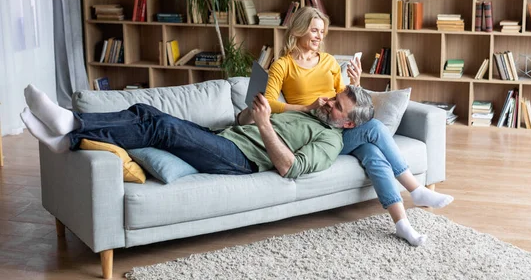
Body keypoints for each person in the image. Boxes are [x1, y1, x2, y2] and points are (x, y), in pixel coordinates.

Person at [239, 6, 454, 246]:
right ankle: (415, 189)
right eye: (314, 30)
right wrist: (307, 107)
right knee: (374, 128)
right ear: (299, 30)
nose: (319, 36)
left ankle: (402, 224)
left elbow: (346, 98)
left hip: (340, 124)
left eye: (322, 31)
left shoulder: (329, 61)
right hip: (316, 129)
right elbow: (267, 103)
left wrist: (356, 82)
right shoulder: (283, 65)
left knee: (374, 155)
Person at [20, 83, 373, 179]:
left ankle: (72, 125)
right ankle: (67, 137)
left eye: (337, 107)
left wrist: (265, 123)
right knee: (146, 110)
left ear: (349, 123)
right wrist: (257, 111)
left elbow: (288, 167)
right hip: (226, 138)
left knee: (162, 127)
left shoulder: (329, 139)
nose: (330, 104)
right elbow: (241, 122)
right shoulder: (313, 113)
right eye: (334, 98)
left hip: (241, 160)